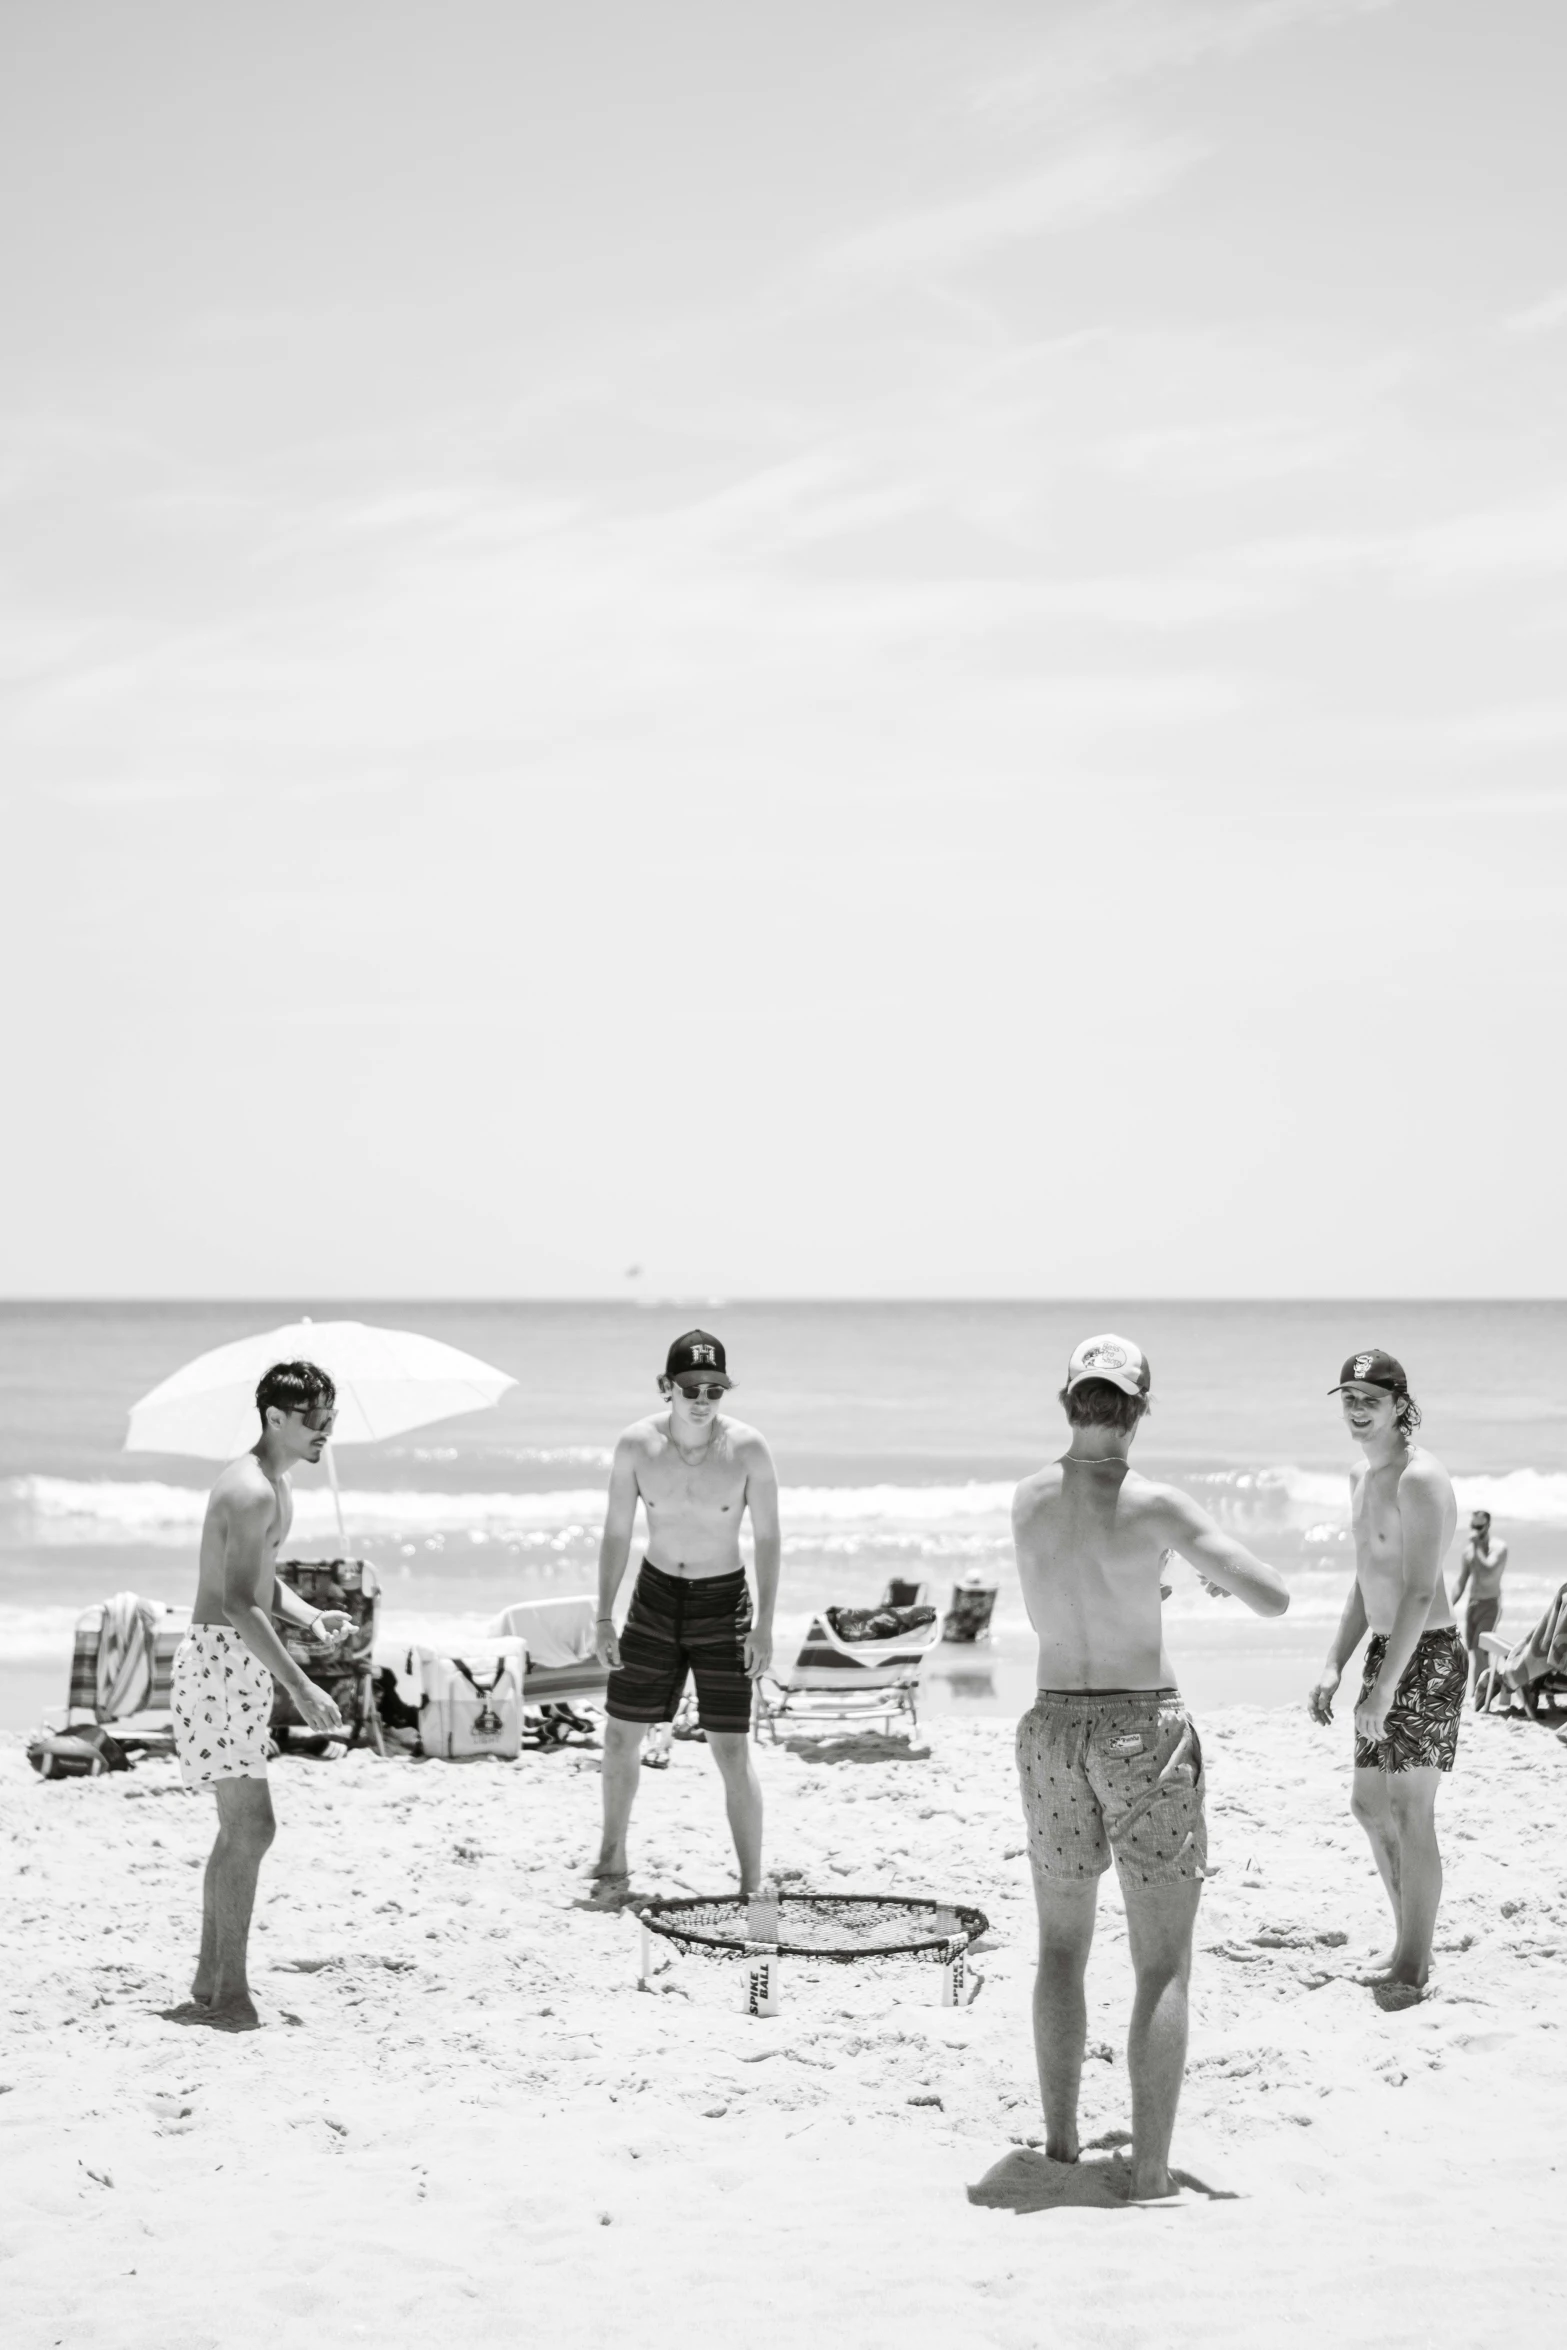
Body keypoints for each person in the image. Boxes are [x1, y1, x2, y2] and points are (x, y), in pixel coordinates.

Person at [1012, 1335, 1289, 2202]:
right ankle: (1151, 2173)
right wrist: (1193, 1567)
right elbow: (1272, 1595)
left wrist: (1154, 1577)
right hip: (1141, 1727)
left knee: (1060, 1947)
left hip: (1052, 1723)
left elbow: (1077, 1584)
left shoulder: (1024, 1499)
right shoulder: (1158, 1504)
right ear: (1137, 1407)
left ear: (1067, 1399)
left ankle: (1059, 2145)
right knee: (1160, 1961)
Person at [167, 1361, 354, 2031]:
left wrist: (311, 1619)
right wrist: (300, 1685)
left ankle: (213, 1980)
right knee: (251, 1827)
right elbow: (239, 1603)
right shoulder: (252, 1491)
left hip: (228, 1662)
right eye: (315, 1421)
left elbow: (263, 1586)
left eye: (331, 1420)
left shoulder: (272, 1484)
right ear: (276, 1418)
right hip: (222, 1662)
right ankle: (229, 1990)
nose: (325, 1432)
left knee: (241, 1828)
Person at [587, 1330, 780, 1904]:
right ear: (666, 1387)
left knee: (730, 1747)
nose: (702, 1399)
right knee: (620, 1733)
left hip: (724, 1604)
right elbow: (616, 1532)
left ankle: (750, 1882)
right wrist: (602, 1616)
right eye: (691, 1387)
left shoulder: (749, 1449)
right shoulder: (635, 1445)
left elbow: (768, 1538)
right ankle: (610, 1854)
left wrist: (765, 1624)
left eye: (715, 1389)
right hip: (654, 1598)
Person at [1308, 1350, 1462, 2009]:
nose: (1354, 1408)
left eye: (1368, 1396)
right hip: (1384, 1651)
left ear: (1400, 1403)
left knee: (1408, 1809)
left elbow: (1419, 1588)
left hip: (1424, 1656)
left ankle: (1411, 1961)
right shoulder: (1359, 1476)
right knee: (1368, 1807)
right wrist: (1333, 1662)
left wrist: (1383, 1688)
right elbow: (1366, 1577)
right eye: (1345, 1396)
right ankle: (1407, 1941)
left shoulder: (1417, 1479)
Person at [1452, 1509, 1508, 1689]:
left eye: (1480, 1526)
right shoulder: (1468, 1551)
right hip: (1472, 1606)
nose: (1476, 1529)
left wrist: (1476, 1547)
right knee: (1474, 1653)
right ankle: (1480, 1692)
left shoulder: (1499, 1548)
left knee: (1481, 1651)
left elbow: (1488, 1570)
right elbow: (1461, 1581)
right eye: (1473, 1526)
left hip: (1490, 1604)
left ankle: (1481, 1694)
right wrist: (1449, 1605)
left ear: (1488, 1525)